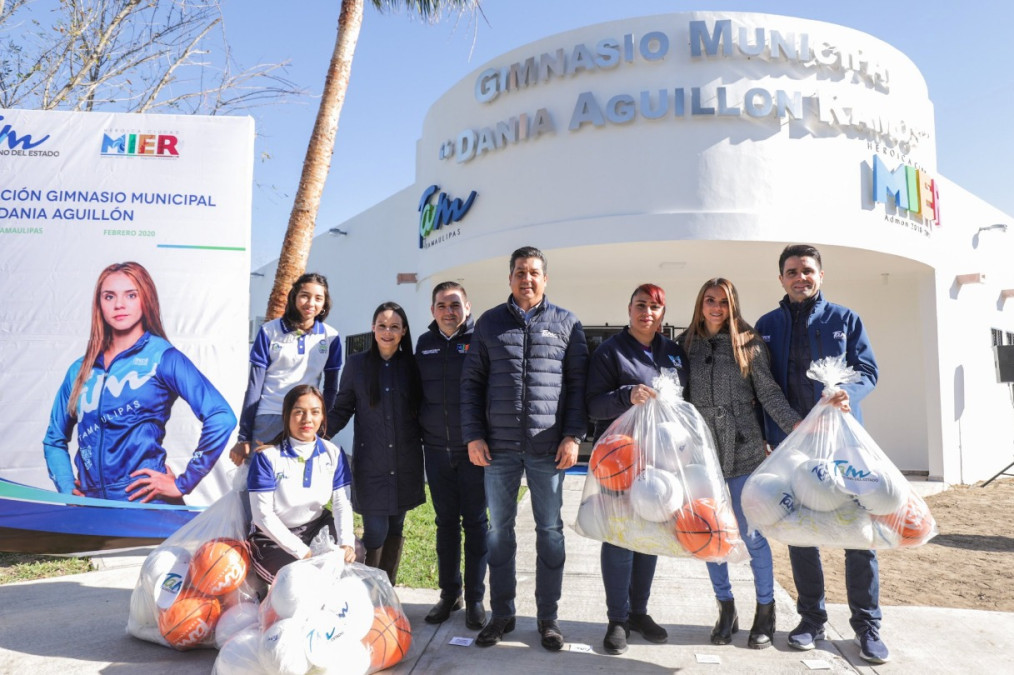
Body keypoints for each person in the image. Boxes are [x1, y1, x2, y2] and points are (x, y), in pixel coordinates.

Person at [754, 244, 887, 664]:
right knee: (800, 531)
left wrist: (849, 391)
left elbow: (868, 370)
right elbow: (761, 385)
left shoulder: (845, 319)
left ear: (821, 276)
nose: (800, 277)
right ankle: (811, 619)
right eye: (791, 271)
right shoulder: (767, 325)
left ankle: (867, 627)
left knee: (858, 534)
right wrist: (766, 435)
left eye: (807, 270)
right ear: (781, 279)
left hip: (844, 444)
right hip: (794, 446)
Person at [460, 245, 589, 651]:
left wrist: (573, 436)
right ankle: (502, 614)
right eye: (519, 272)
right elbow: (472, 384)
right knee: (500, 533)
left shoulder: (567, 324)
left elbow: (577, 389)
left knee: (550, 531)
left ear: (545, 279)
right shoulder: (489, 324)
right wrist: (473, 435)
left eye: (534, 272)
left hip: (548, 449)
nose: (526, 279)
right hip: (497, 449)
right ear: (510, 278)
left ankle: (548, 619)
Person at [43, 261, 236, 503]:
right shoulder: (80, 370)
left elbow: (221, 417)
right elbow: (54, 439)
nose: (119, 305)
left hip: (145, 504)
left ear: (146, 299)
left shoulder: (164, 358)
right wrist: (66, 486)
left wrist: (183, 483)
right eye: (109, 296)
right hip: (91, 507)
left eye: (131, 295)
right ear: (99, 304)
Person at [680, 278, 802, 649]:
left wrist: (797, 425)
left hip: (745, 449)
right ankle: (725, 607)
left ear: (734, 306)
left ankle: (766, 610)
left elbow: (767, 392)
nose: (717, 308)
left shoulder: (749, 344)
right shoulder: (686, 344)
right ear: (701, 304)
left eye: (724, 303)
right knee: (709, 533)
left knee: (752, 536)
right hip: (703, 454)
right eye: (710, 300)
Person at [586, 283, 687, 655]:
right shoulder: (610, 352)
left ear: (663, 314)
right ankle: (616, 619)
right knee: (620, 537)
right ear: (629, 309)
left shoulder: (673, 353)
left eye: (655, 307)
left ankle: (639, 613)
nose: (648, 312)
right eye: (641, 305)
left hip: (661, 462)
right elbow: (593, 406)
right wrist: (625, 395)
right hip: (621, 460)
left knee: (649, 534)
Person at [328, 301, 425, 585]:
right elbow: (342, 409)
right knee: (375, 531)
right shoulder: (357, 365)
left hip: (405, 463)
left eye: (394, 327)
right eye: (382, 326)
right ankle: (365, 591)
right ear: (373, 328)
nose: (387, 331)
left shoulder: (412, 366)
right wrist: (316, 437)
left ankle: (386, 591)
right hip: (371, 465)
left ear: (404, 331)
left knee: (396, 527)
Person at [416, 282, 489, 630]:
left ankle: (475, 598)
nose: (449, 311)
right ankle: (449, 594)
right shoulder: (424, 345)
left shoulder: (480, 342)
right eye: (442, 305)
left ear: (468, 307)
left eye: (455, 305)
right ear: (433, 310)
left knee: (475, 524)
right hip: (436, 451)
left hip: (473, 451)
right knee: (445, 525)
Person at [247, 384, 356, 582]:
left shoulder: (333, 453)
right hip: (272, 537)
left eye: (315, 412)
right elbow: (262, 516)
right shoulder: (268, 457)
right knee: (297, 577)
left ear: (323, 417)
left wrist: (346, 543)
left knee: (353, 553)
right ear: (286, 416)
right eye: (299, 412)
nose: (307, 420)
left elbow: (341, 504)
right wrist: (304, 553)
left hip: (316, 526)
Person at [230, 273, 341, 465]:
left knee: (298, 485)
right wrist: (244, 436)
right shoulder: (269, 331)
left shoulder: (331, 337)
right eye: (305, 295)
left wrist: (322, 424)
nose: (311, 303)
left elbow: (331, 388)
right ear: (294, 297)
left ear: (324, 304)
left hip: (305, 420)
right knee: (259, 484)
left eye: (318, 298)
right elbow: (254, 386)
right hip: (269, 417)